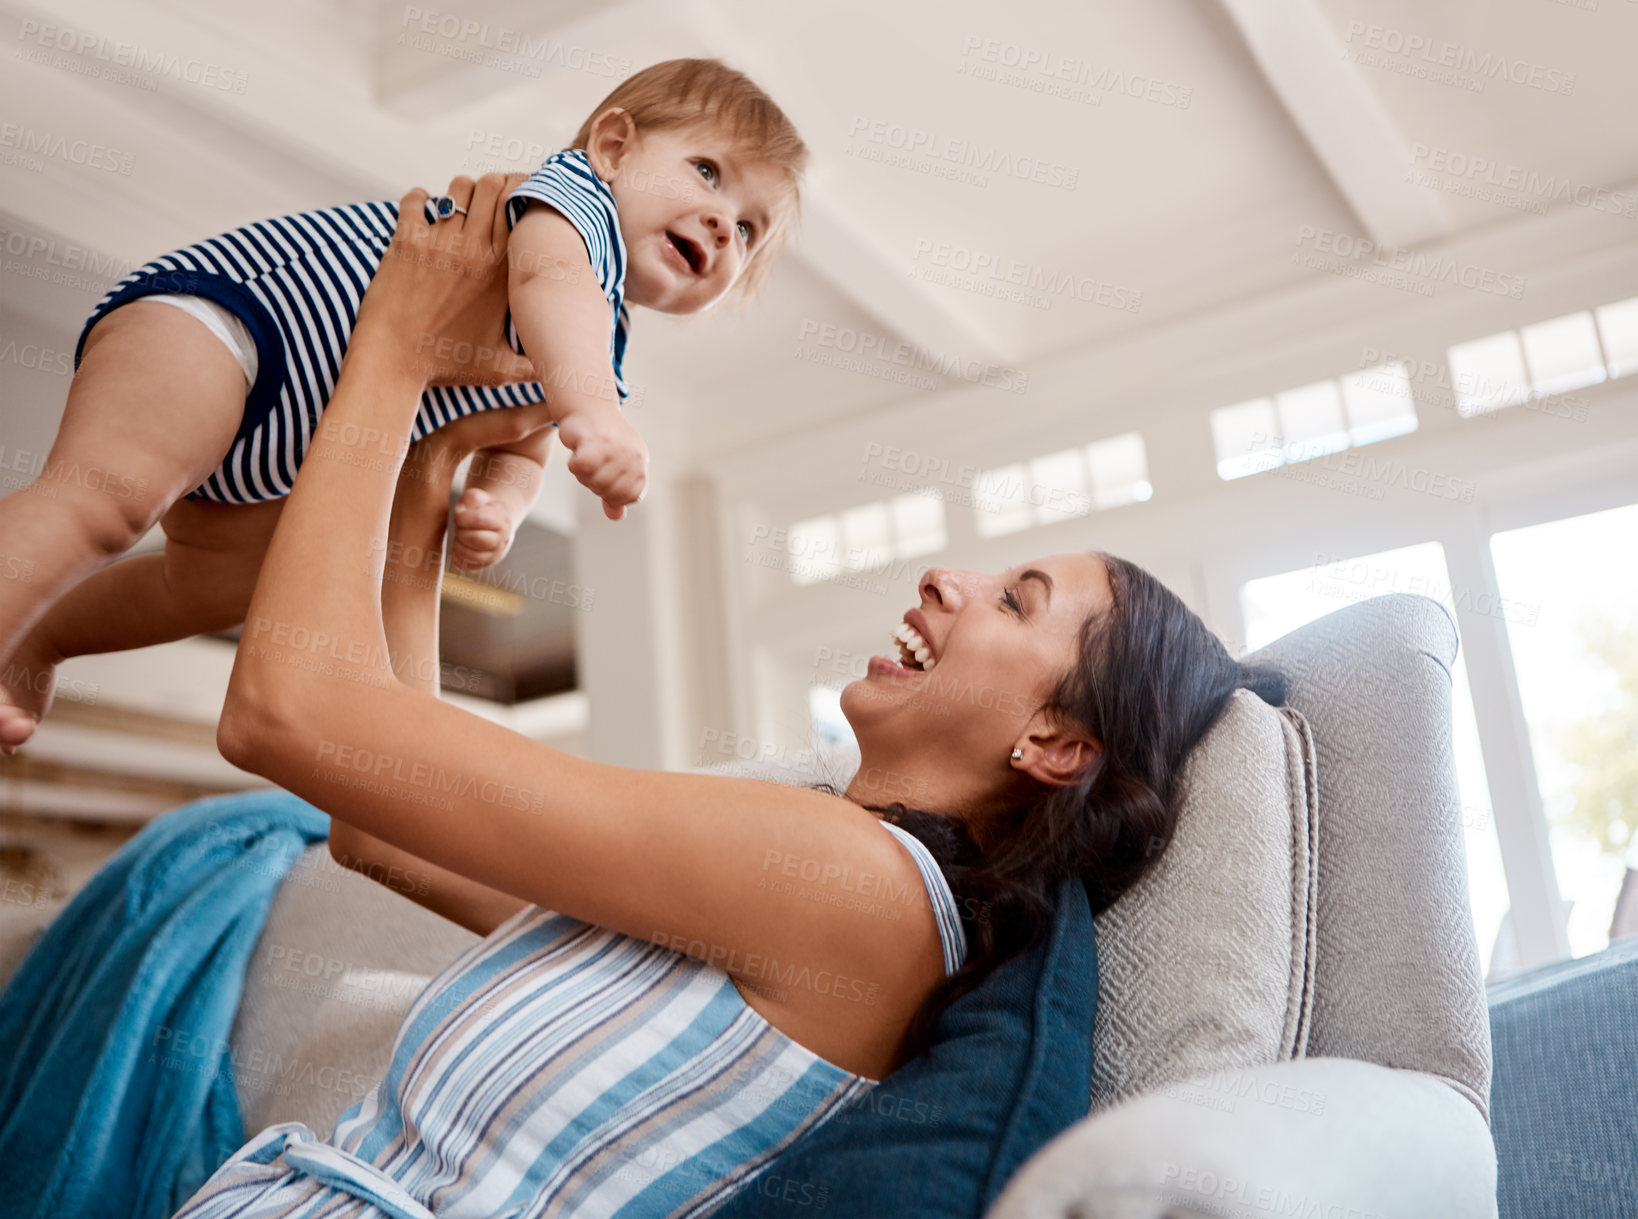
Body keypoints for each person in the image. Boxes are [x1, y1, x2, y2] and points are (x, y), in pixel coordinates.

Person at [166, 175, 1287, 1217]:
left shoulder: (856, 884)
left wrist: (392, 350)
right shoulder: (792, 881)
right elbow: (380, 828)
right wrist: (431, 457)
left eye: (1015, 599)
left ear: (1054, 739)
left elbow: (288, 713)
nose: (950, 577)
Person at [0, 58, 806, 753]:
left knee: (214, 585)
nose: (722, 224)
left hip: (271, 453)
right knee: (108, 503)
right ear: (614, 146)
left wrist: (503, 501)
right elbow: (549, 286)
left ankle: (48, 632)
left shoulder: (600, 349)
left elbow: (520, 442)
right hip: (230, 327)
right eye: (707, 172)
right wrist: (594, 410)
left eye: (749, 229)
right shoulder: (568, 212)